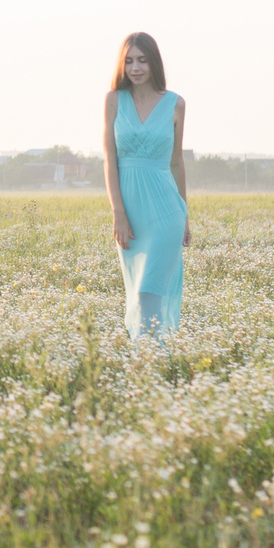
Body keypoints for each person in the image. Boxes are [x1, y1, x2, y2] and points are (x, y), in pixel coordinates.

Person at [102, 31, 189, 339]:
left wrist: (186, 216)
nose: (135, 68)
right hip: (131, 214)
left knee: (149, 293)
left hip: (167, 213)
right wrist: (118, 213)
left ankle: (149, 365)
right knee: (137, 291)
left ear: (154, 63)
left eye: (142, 60)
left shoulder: (176, 104)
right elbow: (110, 161)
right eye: (128, 61)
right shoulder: (114, 101)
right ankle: (151, 365)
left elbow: (176, 162)